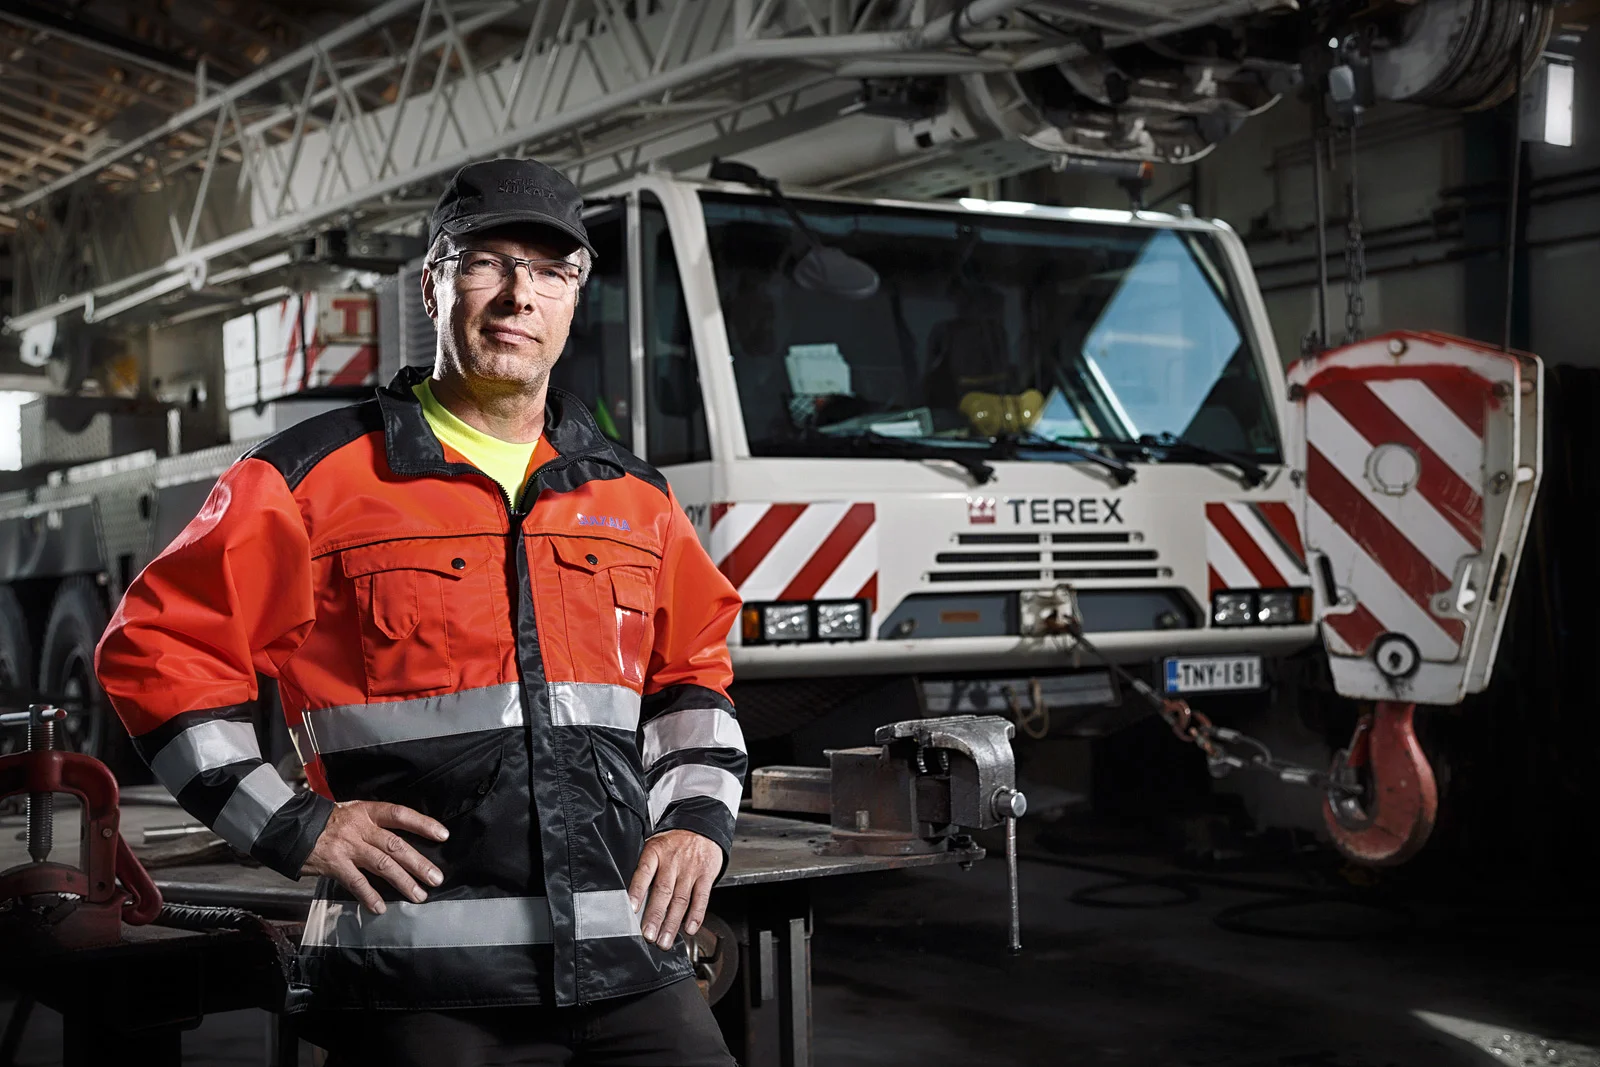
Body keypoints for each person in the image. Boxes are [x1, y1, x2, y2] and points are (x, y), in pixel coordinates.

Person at [94, 157, 746, 1066]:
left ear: (573, 300)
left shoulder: (635, 497)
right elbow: (159, 648)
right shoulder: (312, 478)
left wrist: (695, 821)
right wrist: (290, 823)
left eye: (551, 271)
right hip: (414, 977)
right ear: (433, 286)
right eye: (487, 263)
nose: (519, 294)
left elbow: (691, 678)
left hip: (626, 959)